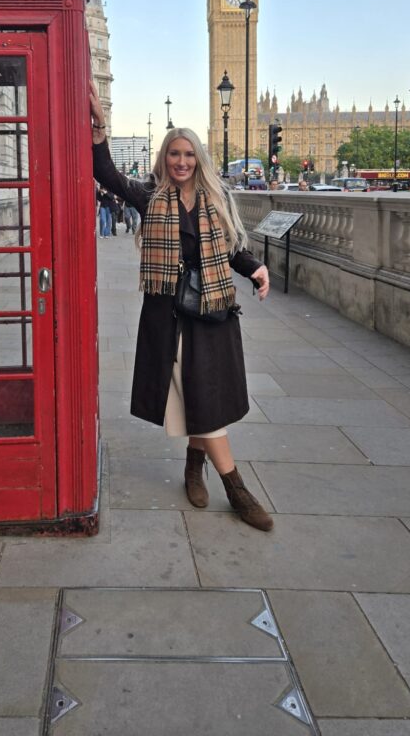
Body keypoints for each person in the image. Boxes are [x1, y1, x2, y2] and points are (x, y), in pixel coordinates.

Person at [90, 81, 274, 531]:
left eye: (189, 155)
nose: (181, 161)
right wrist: (99, 129)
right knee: (197, 391)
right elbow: (108, 176)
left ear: (199, 160)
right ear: (164, 159)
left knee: (204, 392)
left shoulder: (216, 199)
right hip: (169, 313)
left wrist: (254, 267)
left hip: (210, 312)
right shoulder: (151, 196)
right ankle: (234, 486)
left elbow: (230, 248)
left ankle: (197, 467)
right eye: (174, 154)